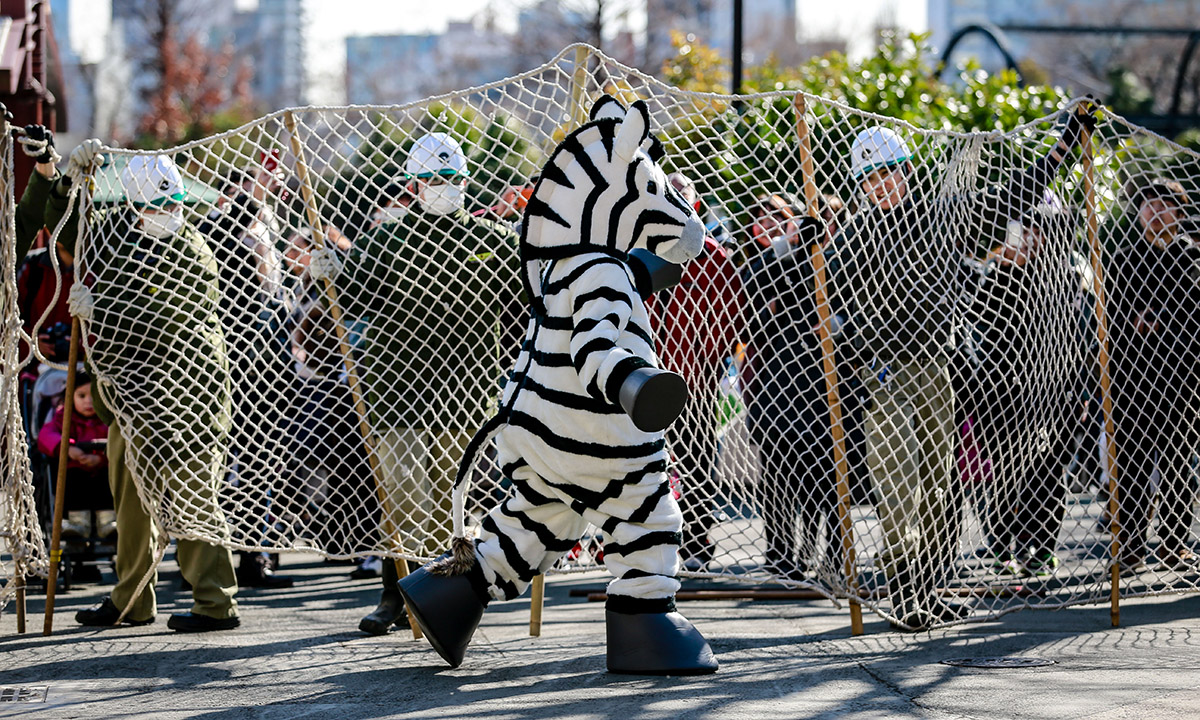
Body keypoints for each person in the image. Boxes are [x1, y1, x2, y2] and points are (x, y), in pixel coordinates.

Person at [829, 109, 1093, 630]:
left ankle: (930, 586)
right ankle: (906, 593)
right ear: (860, 185)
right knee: (898, 482)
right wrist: (810, 242)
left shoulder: (941, 216)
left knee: (939, 485)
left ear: (905, 172)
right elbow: (818, 290)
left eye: (888, 174)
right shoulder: (852, 235)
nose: (881, 186)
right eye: (870, 178)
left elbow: (1019, 192)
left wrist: (1067, 142)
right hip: (881, 375)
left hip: (934, 365)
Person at [24, 143, 241, 631]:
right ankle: (131, 601)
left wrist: (97, 308)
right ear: (133, 207)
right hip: (129, 400)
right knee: (131, 507)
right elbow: (70, 230)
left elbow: (159, 317)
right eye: (153, 206)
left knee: (194, 500)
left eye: (171, 205)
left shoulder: (192, 251)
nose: (165, 213)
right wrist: (62, 178)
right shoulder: (123, 240)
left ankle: (215, 603)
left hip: (190, 402)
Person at [334, 132, 521, 635]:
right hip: (397, 393)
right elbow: (351, 304)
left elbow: (528, 301)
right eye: (434, 179)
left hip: (466, 395)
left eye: (452, 178)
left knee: (454, 508)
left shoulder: (494, 239)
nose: (444, 186)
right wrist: (333, 273)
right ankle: (396, 597)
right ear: (413, 184)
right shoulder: (385, 239)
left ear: (466, 180)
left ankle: (447, 600)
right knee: (402, 501)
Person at [969, 199, 1094, 577]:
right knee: (1007, 472)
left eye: (1041, 228)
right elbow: (980, 328)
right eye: (1026, 226)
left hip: (1060, 390)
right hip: (1007, 391)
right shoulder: (999, 274)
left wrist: (1085, 390)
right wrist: (1005, 269)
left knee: (1050, 473)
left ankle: (1040, 549)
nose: (1031, 235)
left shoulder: (1071, 274)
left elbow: (1085, 336)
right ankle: (1001, 545)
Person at [199, 171, 295, 589]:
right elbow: (232, 228)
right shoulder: (213, 232)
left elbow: (273, 287)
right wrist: (249, 208)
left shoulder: (255, 234)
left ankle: (252, 556)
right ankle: (224, 560)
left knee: (254, 465)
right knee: (229, 467)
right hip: (230, 369)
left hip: (256, 370)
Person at [741, 192, 841, 581]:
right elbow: (750, 309)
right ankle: (780, 554)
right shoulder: (757, 264)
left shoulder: (818, 258)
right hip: (770, 384)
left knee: (823, 475)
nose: (767, 223)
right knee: (777, 474)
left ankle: (828, 556)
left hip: (819, 384)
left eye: (778, 216)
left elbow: (819, 296)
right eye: (761, 217)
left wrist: (805, 247)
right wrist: (789, 245)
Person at [1109, 178, 1200, 572]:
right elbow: (1108, 317)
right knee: (1130, 464)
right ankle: (1129, 544)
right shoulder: (1123, 258)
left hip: (1181, 379)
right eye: (1148, 206)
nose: (1155, 212)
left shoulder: (1190, 260)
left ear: (1178, 214)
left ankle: (1174, 543)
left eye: (1164, 206)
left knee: (1179, 465)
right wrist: (1133, 323)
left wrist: (1161, 322)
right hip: (1132, 379)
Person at [657, 172, 743, 571]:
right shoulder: (642, 251)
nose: (677, 199)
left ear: (697, 201)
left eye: (684, 194)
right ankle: (650, 544)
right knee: (645, 465)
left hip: (696, 380)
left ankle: (696, 542)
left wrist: (708, 359)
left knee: (697, 465)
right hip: (645, 378)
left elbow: (731, 316)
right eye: (669, 193)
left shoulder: (716, 258)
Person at [35, 372, 114, 543]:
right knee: (70, 482)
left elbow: (117, 444)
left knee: (109, 482)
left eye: (94, 396)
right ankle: (77, 524)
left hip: (103, 469)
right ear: (70, 397)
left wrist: (102, 458)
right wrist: (67, 447)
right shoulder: (63, 418)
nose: (88, 401)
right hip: (74, 471)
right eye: (81, 396)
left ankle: (108, 522)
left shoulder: (108, 420)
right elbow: (46, 435)